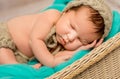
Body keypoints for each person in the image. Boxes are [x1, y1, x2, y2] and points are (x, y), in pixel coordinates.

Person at [0, 0, 112, 68]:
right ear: (66, 12)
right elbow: (35, 40)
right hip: (6, 35)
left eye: (80, 40)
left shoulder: (63, 43)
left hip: (21, 56)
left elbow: (61, 58)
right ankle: (16, 66)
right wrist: (51, 61)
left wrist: (82, 49)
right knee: (5, 54)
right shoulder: (51, 16)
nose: (70, 37)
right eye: (72, 26)